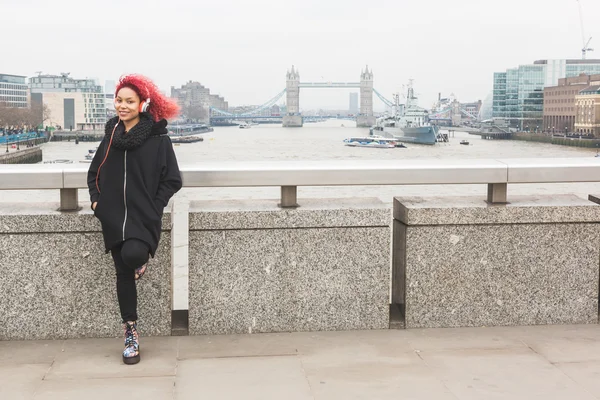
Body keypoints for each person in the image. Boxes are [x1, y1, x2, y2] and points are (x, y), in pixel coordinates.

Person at [87, 74, 182, 365]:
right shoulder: (110, 136)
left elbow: (173, 180)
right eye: (119, 100)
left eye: (130, 101)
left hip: (143, 217)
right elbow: (94, 174)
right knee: (122, 273)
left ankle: (141, 261)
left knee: (134, 254)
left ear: (142, 103)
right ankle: (131, 332)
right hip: (113, 216)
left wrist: (154, 207)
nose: (122, 106)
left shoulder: (157, 138)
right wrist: (97, 203)